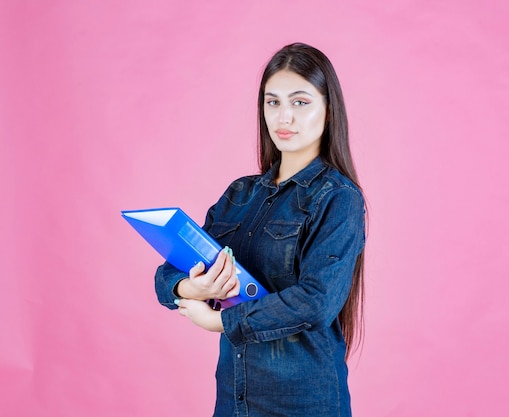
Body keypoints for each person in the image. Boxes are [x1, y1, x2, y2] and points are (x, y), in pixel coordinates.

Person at [154, 42, 366, 417]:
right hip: (235, 400)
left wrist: (222, 320)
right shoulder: (240, 194)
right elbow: (169, 273)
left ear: (329, 110)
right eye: (273, 102)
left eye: (300, 102)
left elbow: (315, 302)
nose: (284, 117)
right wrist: (192, 287)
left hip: (304, 403)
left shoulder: (338, 198)